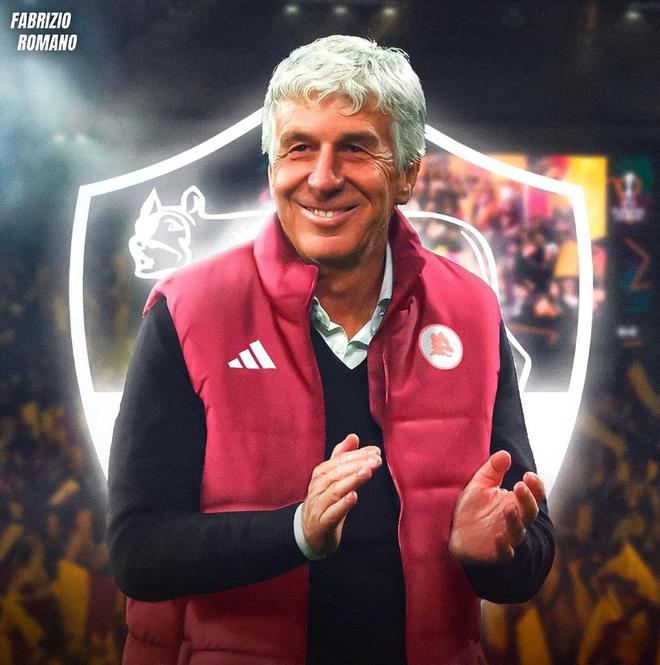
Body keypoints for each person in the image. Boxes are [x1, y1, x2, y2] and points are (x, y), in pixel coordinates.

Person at [108, 35, 555, 665]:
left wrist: (497, 557)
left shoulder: (472, 312)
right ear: (273, 168)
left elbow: (531, 544)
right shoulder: (188, 313)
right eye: (299, 148)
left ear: (407, 175)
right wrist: (294, 532)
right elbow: (137, 552)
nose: (322, 178)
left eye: (355, 149)